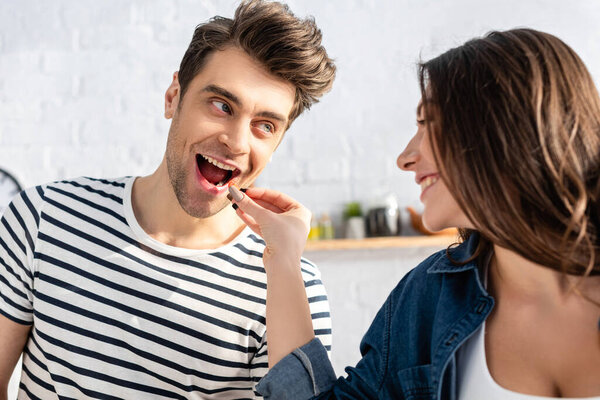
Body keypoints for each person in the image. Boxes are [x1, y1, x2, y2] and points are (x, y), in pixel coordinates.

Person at [228, 28, 600, 399]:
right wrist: (284, 259)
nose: (405, 158)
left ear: (505, 128)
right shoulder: (429, 297)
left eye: (427, 124)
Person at [0, 1, 336, 398]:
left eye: (265, 125)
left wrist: (284, 264)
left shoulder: (291, 285)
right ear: (173, 97)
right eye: (221, 105)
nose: (237, 142)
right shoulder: (43, 219)